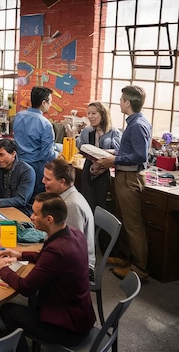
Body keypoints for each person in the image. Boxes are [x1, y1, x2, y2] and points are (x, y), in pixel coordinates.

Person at [0, 193, 95, 351]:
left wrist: (3, 269)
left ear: (49, 219)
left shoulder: (57, 250)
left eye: (35, 214)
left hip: (67, 328)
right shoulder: (74, 233)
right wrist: (20, 254)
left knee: (8, 311)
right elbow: (46, 257)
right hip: (81, 315)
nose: (31, 216)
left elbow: (26, 288)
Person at [97, 85, 151, 281]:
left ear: (128, 103)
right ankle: (127, 258)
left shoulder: (138, 125)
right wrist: (116, 154)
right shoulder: (134, 122)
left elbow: (140, 156)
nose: (119, 102)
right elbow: (131, 151)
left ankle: (139, 269)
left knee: (133, 226)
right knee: (125, 221)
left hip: (130, 178)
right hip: (124, 176)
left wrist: (114, 160)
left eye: (121, 100)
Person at [42, 159, 96, 280]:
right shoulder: (66, 197)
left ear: (62, 182)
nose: (43, 181)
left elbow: (70, 247)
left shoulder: (71, 205)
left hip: (78, 267)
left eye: (48, 179)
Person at [12, 86, 58, 198]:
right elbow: (47, 154)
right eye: (50, 102)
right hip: (36, 168)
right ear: (43, 103)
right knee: (34, 201)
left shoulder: (18, 116)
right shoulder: (46, 124)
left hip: (17, 164)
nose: (50, 105)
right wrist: (59, 154)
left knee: (17, 197)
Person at [76, 101, 122, 211]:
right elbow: (81, 147)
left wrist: (105, 152)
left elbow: (120, 151)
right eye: (88, 113)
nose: (90, 117)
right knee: (88, 202)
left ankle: (99, 227)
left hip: (105, 171)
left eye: (94, 113)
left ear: (103, 114)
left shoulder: (113, 132)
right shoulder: (86, 131)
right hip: (88, 169)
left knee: (101, 204)